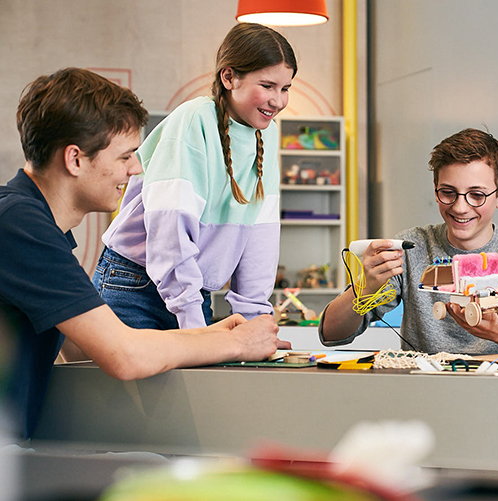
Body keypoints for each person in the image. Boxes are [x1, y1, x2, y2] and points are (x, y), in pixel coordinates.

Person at [0, 68, 288, 440]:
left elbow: (79, 344)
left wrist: (209, 336)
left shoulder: (35, 223)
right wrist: (233, 342)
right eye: (125, 157)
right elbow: (124, 354)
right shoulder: (19, 224)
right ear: (74, 159)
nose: (136, 169)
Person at [93, 23, 296, 329]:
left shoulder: (267, 135)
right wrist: (192, 321)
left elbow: (261, 233)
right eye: (267, 86)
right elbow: (169, 233)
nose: (277, 101)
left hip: (192, 290)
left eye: (285, 89)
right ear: (229, 77)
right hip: (136, 285)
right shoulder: (193, 121)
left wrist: (255, 319)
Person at [319, 128, 498, 354]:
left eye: (476, 195)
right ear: (436, 189)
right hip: (426, 397)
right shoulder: (411, 248)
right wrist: (363, 287)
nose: (460, 207)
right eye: (448, 193)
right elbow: (331, 334)